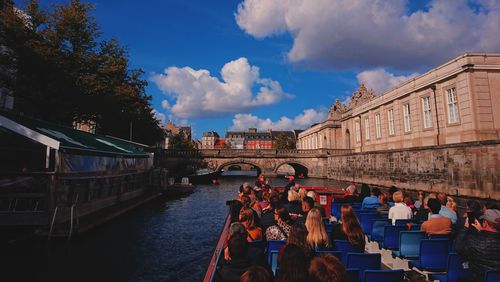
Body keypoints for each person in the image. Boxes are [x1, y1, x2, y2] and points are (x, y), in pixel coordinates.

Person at [456, 209, 500, 281]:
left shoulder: (474, 240)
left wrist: (465, 228)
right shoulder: (476, 239)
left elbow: (458, 248)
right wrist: (482, 232)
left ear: (485, 223)